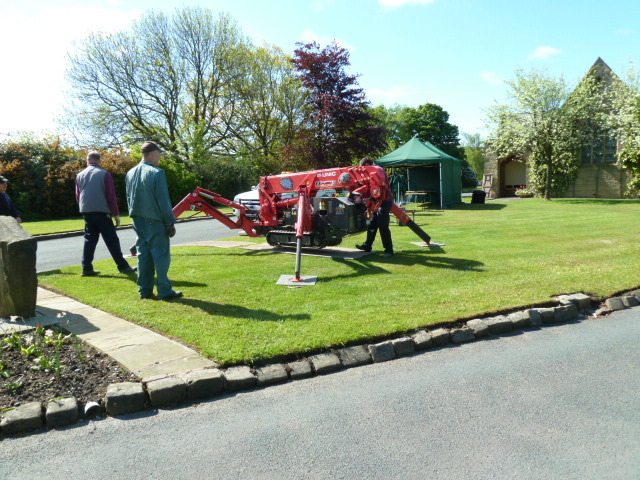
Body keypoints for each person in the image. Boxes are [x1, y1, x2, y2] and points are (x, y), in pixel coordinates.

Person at [125, 141, 182, 301]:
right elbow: (163, 201)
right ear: (153, 154)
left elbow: (129, 198)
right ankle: (165, 291)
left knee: (143, 256)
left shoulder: (130, 173)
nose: (160, 157)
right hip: (155, 220)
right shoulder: (157, 173)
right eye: (159, 154)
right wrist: (169, 222)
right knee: (161, 256)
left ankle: (144, 290)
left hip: (137, 220)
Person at [75, 152, 135, 277]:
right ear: (99, 161)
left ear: (88, 160)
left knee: (89, 240)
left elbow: (78, 195)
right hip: (102, 211)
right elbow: (111, 196)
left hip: (87, 211)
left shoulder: (79, 175)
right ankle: (123, 266)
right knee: (111, 239)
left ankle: (86, 267)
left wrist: (83, 209)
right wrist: (116, 215)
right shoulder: (104, 174)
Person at [354, 157, 394, 258]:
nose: (363, 170)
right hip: (378, 202)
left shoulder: (377, 171)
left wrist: (367, 199)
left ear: (367, 164)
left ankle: (389, 250)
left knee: (383, 226)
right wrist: (359, 195)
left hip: (384, 202)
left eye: (363, 167)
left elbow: (377, 192)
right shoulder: (372, 174)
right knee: (372, 224)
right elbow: (368, 188)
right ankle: (367, 246)